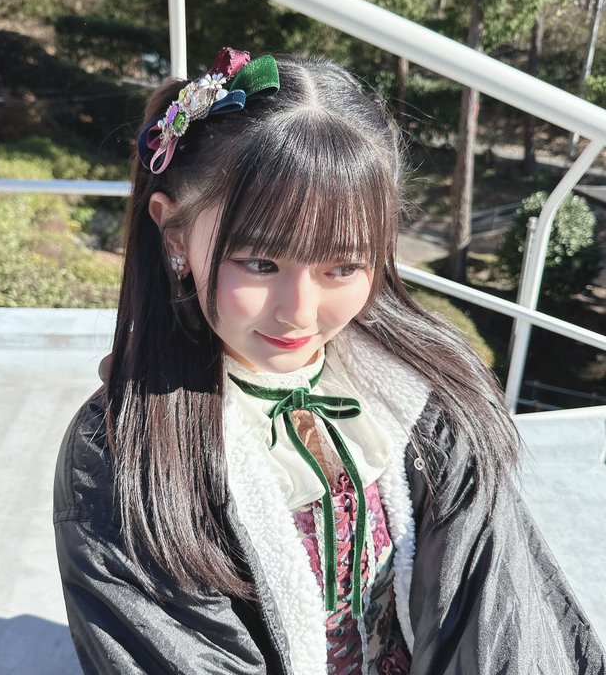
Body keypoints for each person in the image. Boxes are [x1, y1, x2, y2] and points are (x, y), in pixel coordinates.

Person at [53, 49, 606, 674]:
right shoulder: (123, 457)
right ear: (174, 232)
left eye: (343, 267)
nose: (299, 312)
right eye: (260, 263)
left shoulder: (426, 397)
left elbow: (501, 621)